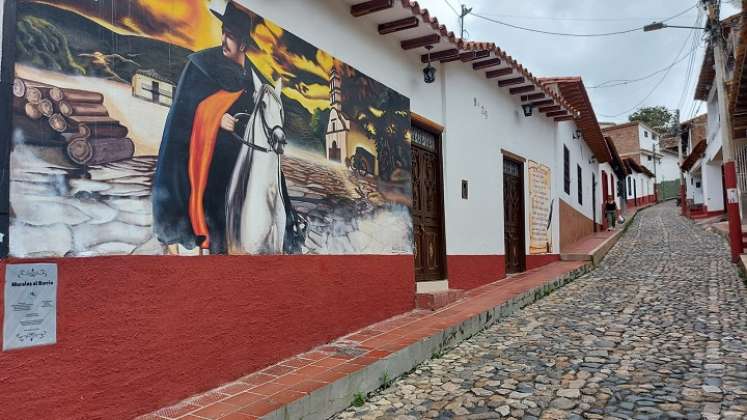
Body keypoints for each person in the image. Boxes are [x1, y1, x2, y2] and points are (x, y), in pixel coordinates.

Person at [152, 1, 297, 255]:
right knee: (216, 204)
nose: (223, 39)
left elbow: (259, 120)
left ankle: (290, 229)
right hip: (206, 162)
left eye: (230, 36)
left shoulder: (253, 80)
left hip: (243, 157)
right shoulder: (200, 66)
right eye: (223, 32)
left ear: (242, 43)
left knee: (275, 188)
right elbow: (183, 116)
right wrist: (217, 118)